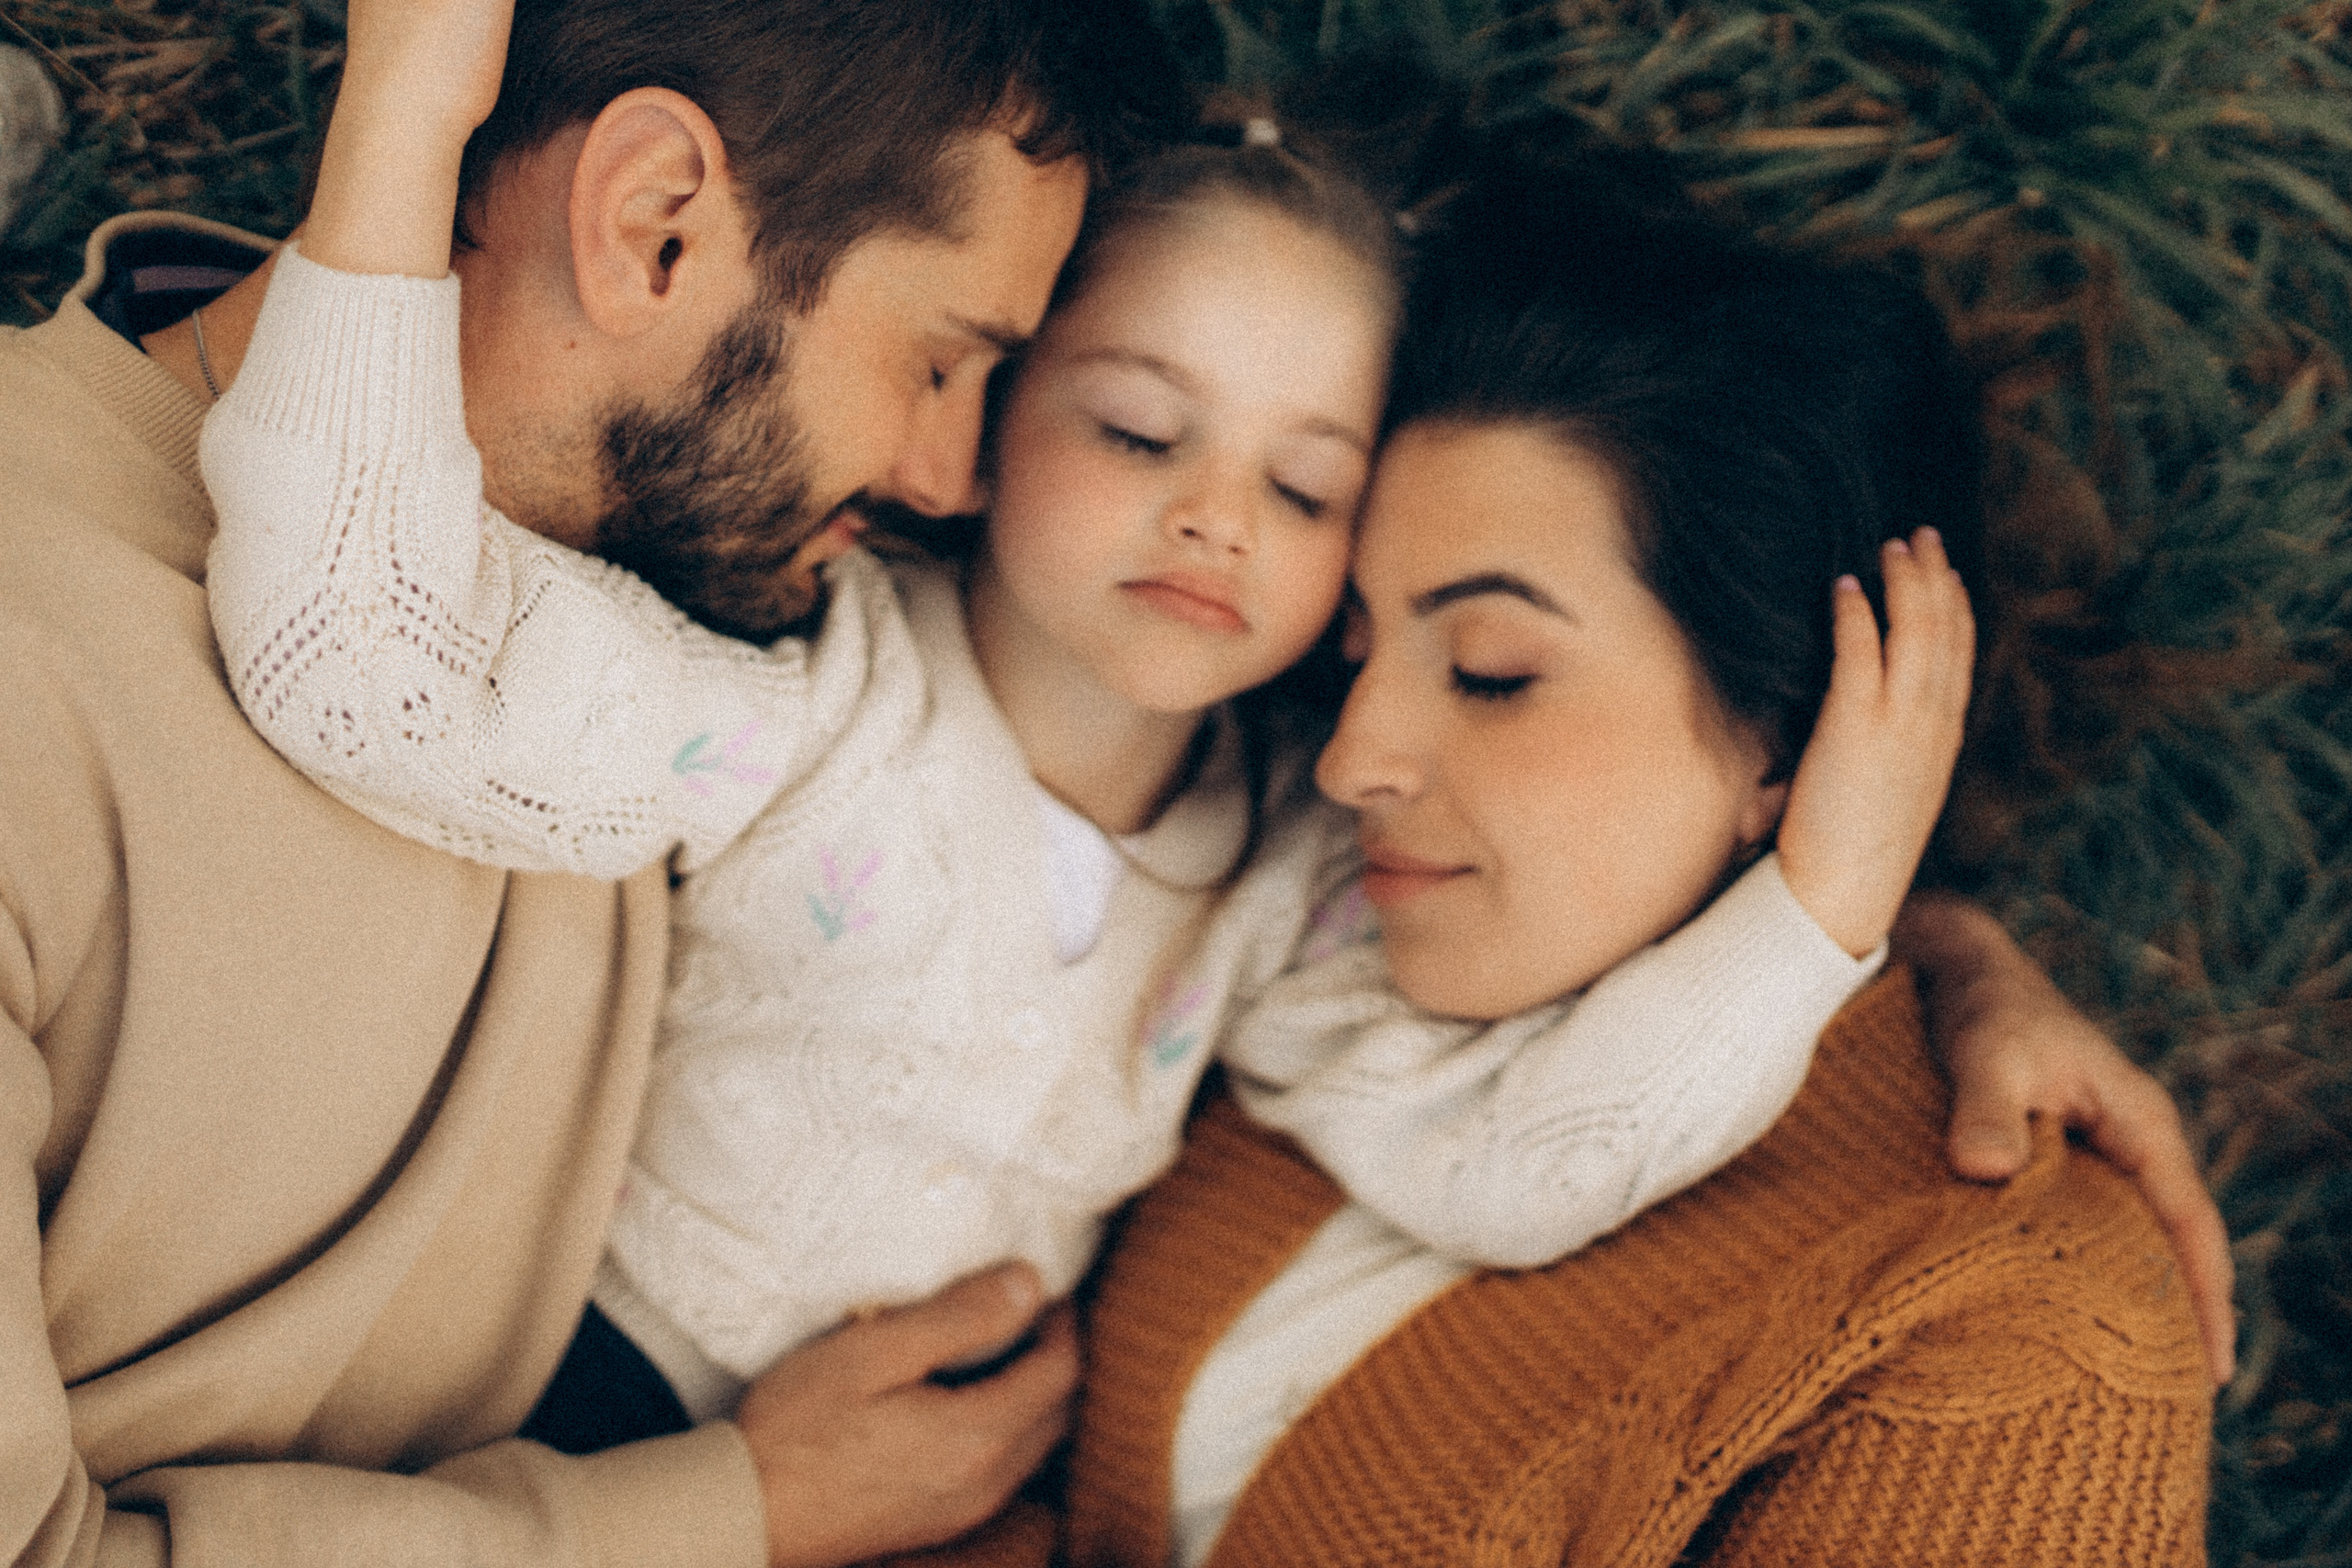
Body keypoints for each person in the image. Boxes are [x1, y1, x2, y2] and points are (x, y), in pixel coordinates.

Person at [0, 9, 2225, 1568]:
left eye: (1304, 490)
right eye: (1109, 418)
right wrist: (413, 98)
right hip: (590, 1421)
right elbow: (356, 634)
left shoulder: (1269, 868)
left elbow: (1509, 1153)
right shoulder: (794, 696)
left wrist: (1837, 920)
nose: (1212, 529)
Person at [0, 3, 1182, 1565]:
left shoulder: (679, 610)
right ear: (654, 226)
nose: (949, 482)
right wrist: (739, 1516)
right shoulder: (42, 684)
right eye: (940, 361)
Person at [1041, 156, 2217, 1566]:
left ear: (1798, 735)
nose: (1353, 758)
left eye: (1490, 671)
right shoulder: (1316, 953)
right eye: (1358, 647)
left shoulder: (2005, 1335)